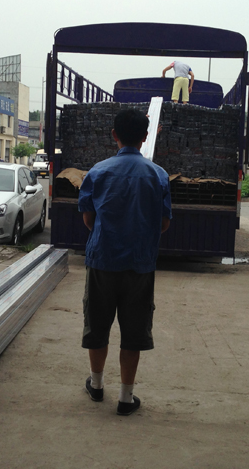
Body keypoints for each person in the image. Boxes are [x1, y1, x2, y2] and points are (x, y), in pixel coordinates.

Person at [78, 108, 172, 416]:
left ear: (114, 135)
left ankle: (96, 385)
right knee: (133, 331)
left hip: (102, 261)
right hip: (139, 265)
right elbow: (163, 224)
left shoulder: (97, 172)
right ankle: (126, 398)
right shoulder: (158, 175)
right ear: (145, 137)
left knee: (97, 325)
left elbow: (88, 220)